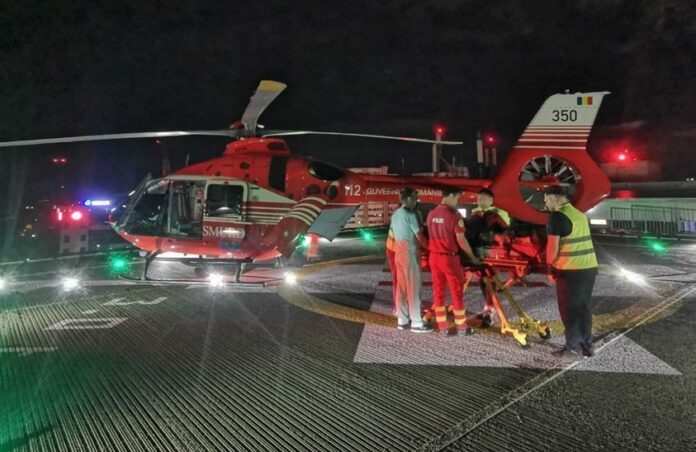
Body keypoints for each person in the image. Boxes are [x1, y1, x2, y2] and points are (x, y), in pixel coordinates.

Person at [544, 186, 598, 360]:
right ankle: (586, 346)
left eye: (546, 200)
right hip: (588, 268)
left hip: (571, 271)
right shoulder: (579, 215)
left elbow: (552, 250)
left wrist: (549, 268)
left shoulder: (557, 217)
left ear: (554, 199)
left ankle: (572, 349)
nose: (545, 204)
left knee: (570, 310)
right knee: (583, 308)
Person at [427, 188, 480, 335]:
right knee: (456, 292)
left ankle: (443, 327)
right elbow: (461, 240)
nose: (457, 202)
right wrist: (473, 257)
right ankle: (462, 327)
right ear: (450, 195)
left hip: (434, 257)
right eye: (456, 198)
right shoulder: (454, 215)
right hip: (449, 259)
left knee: (438, 292)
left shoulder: (431, 214)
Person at [390, 187, 433, 333]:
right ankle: (416, 322)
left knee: (401, 288)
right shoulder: (410, 215)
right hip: (410, 253)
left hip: (399, 253)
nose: (416, 201)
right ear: (409, 198)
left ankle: (402, 320)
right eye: (415, 198)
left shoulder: (395, 214)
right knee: (414, 288)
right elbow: (420, 237)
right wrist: (432, 248)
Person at [469, 188, 511, 326]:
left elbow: (505, 231)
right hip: (477, 250)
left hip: (492, 252)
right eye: (478, 198)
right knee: (482, 280)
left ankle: (491, 309)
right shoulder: (475, 212)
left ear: (491, 200)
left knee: (491, 280)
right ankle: (487, 306)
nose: (479, 200)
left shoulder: (499, 213)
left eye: (482, 198)